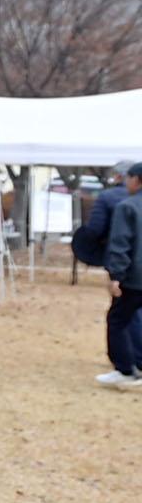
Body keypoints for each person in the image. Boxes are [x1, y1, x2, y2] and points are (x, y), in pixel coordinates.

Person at [96, 162, 142, 390]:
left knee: (118, 319)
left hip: (134, 276)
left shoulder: (128, 207)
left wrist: (116, 275)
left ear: (136, 180)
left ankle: (125, 369)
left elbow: (121, 243)